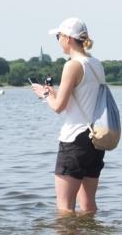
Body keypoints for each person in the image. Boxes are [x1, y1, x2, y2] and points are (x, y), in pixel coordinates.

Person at [32, 18, 105, 215]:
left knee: (65, 208)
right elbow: (81, 101)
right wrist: (54, 94)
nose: (57, 41)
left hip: (74, 140)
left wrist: (45, 94)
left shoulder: (72, 66)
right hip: (95, 140)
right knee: (89, 206)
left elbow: (58, 107)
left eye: (58, 36)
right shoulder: (96, 64)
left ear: (67, 38)